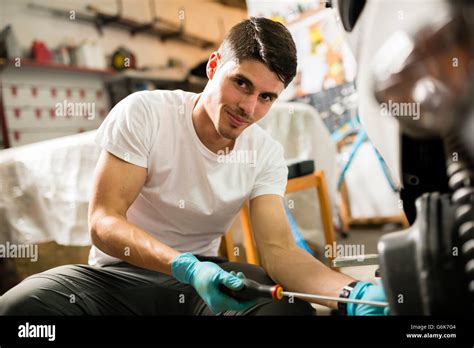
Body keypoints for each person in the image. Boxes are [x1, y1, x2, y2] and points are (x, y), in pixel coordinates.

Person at [0, 17, 387, 316]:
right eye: (241, 84)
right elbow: (104, 222)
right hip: (118, 275)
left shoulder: (264, 153)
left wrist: (351, 292)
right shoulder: (145, 114)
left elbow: (278, 250)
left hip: (204, 281)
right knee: (21, 308)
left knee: (286, 311)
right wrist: (181, 264)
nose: (249, 109)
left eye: (267, 97)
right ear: (214, 65)